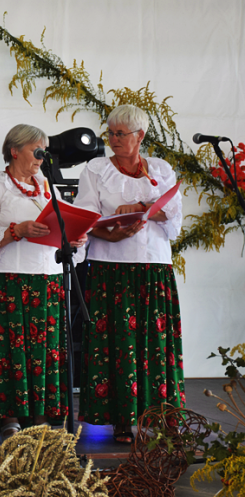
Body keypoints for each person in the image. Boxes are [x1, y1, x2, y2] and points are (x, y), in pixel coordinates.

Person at [0, 124, 86, 440]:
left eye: (44, 151)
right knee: (8, 351)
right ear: (14, 151)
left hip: (47, 283)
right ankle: (8, 415)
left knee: (42, 350)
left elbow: (58, 228)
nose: (41, 157)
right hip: (7, 283)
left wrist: (73, 239)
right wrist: (17, 231)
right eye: (35, 150)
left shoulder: (47, 187)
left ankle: (39, 411)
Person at [74, 104, 184, 443]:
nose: (113, 139)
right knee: (119, 344)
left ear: (140, 136)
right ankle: (122, 419)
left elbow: (174, 218)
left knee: (156, 342)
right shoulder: (96, 169)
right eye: (110, 133)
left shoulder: (162, 169)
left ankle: (163, 416)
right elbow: (85, 217)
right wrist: (110, 232)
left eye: (120, 133)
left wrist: (138, 209)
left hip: (155, 269)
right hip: (113, 270)